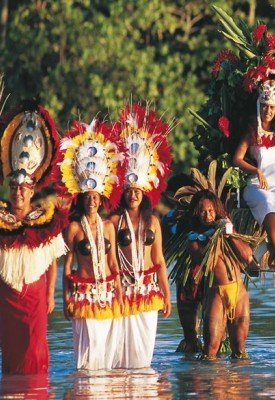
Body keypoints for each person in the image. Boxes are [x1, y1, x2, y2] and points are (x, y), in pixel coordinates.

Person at [0, 99, 66, 374]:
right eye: (14, 188)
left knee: (36, 346)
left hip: (36, 294)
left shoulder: (44, 220)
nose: (18, 193)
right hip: (9, 293)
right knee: (11, 347)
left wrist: (50, 294)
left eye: (23, 189)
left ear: (32, 190)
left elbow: (52, 260)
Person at [58, 118, 125, 370]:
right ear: (82, 200)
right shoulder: (74, 229)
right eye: (87, 198)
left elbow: (113, 262)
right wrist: (65, 300)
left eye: (95, 198)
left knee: (106, 354)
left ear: (101, 199)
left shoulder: (108, 226)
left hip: (108, 292)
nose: (92, 202)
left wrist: (119, 293)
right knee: (87, 356)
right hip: (84, 294)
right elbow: (67, 268)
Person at [110, 103, 173, 368]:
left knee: (144, 356)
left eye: (137, 190)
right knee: (121, 353)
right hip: (122, 288)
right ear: (122, 193)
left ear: (144, 192)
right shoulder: (113, 222)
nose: (133, 194)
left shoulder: (153, 222)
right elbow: (111, 261)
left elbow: (158, 260)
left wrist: (166, 294)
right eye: (129, 190)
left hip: (148, 290)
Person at [232, 68, 275, 269]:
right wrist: (256, 171)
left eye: (272, 107)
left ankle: (272, 246)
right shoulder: (252, 133)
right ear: (259, 106)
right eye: (265, 106)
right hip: (256, 186)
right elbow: (237, 159)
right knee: (268, 201)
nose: (268, 111)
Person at [185, 190, 254, 360]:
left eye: (210, 211)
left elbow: (247, 256)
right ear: (196, 213)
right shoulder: (194, 239)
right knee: (211, 349)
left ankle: (237, 383)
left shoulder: (228, 231)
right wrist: (214, 238)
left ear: (216, 211)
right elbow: (207, 262)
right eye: (202, 211)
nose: (207, 215)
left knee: (240, 349)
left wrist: (230, 235)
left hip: (239, 292)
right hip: (217, 293)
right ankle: (211, 381)